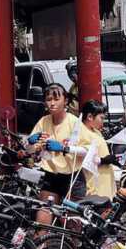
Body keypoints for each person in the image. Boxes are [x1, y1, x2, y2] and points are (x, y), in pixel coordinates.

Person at [26, 83, 85, 223]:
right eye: (48, 99)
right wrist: (31, 143)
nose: (52, 103)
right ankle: (42, 244)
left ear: (65, 101)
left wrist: (64, 148)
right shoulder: (43, 121)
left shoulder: (74, 122)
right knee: (44, 213)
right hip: (51, 174)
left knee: (71, 221)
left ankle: (73, 245)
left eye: (56, 99)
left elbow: (86, 151)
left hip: (72, 177)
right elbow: (29, 150)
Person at [79, 100, 117, 200]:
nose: (103, 122)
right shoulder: (81, 132)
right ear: (90, 117)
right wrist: (103, 160)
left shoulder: (96, 132)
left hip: (104, 182)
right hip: (93, 186)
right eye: (101, 118)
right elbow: (81, 157)